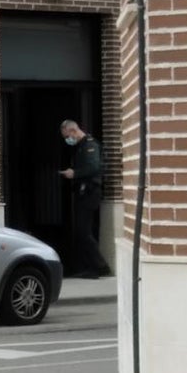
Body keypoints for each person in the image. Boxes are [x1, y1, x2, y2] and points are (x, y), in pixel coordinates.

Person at [58, 119, 110, 279]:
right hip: (84, 192)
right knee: (82, 231)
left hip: (90, 192)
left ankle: (100, 267)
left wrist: (75, 173)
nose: (67, 140)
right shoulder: (81, 146)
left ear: (73, 131)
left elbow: (93, 167)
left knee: (84, 231)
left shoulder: (90, 145)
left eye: (67, 136)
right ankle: (90, 267)